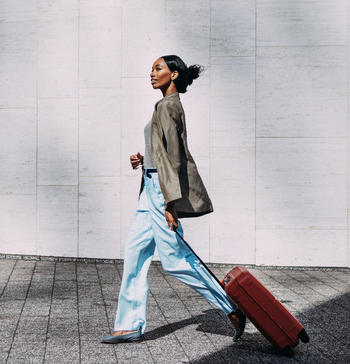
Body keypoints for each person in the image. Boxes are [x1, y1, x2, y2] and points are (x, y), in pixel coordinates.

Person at [100, 55, 246, 344]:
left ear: (174, 74)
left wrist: (170, 204)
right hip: (151, 186)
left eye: (158, 68)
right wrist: (143, 159)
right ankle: (128, 325)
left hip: (160, 192)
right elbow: (162, 152)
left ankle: (231, 307)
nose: (152, 73)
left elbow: (173, 160)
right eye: (152, 69)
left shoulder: (167, 106)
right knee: (135, 253)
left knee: (176, 259)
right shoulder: (166, 106)